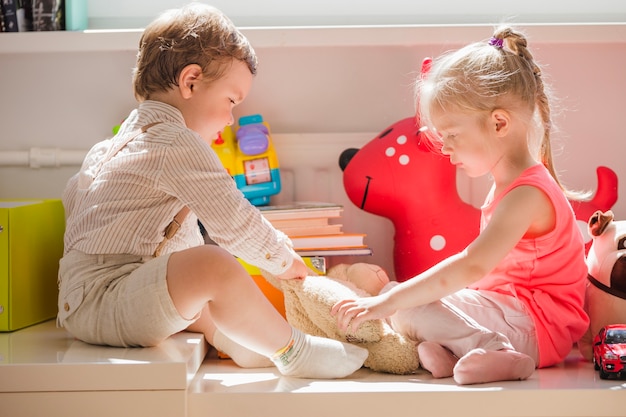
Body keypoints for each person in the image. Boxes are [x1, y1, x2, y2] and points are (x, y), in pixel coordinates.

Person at [56, 2, 367, 379]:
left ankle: (239, 341)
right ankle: (293, 350)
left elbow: (80, 210)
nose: (230, 118)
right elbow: (234, 221)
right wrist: (287, 261)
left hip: (80, 301)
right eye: (231, 101)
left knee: (197, 283)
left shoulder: (110, 147)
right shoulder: (174, 143)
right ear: (191, 82)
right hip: (109, 300)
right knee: (213, 264)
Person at [332, 26, 590, 385]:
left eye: (451, 135)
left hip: (537, 329)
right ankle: (455, 353)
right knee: (396, 296)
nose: (445, 148)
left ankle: (495, 351)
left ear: (499, 123)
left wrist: (389, 305)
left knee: (399, 300)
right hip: (512, 314)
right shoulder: (509, 185)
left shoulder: (526, 195)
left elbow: (472, 265)